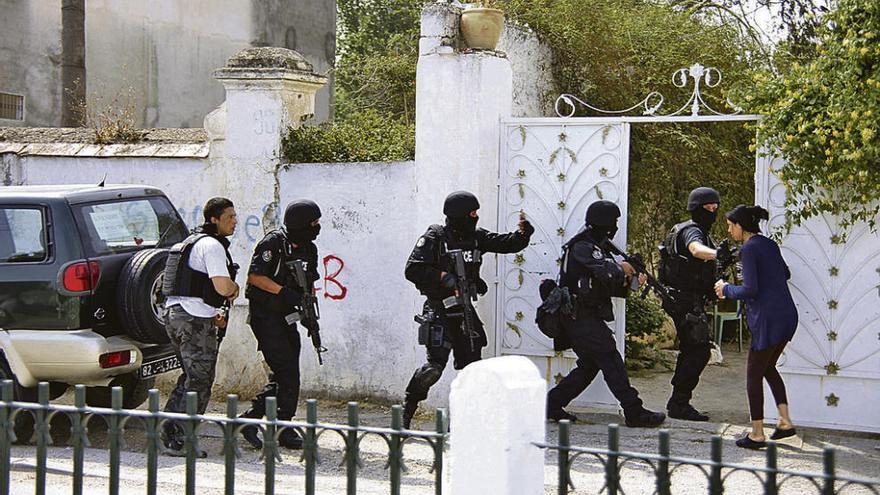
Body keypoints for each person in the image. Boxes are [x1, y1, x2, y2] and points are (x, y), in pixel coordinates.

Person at [402, 191, 534, 429]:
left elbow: (504, 243)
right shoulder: (435, 236)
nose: (475, 216)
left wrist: (523, 235)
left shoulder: (476, 237)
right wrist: (443, 277)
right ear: (459, 214)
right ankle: (406, 411)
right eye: (472, 212)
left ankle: (463, 422)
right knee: (433, 368)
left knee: (471, 369)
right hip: (439, 307)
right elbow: (412, 269)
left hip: (464, 309)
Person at [546, 200, 666, 428]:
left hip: (585, 315)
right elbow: (605, 271)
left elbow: (607, 284)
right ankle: (634, 411)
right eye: (614, 222)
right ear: (605, 222)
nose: (616, 227)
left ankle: (551, 404)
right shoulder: (583, 247)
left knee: (590, 365)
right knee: (611, 359)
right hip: (578, 315)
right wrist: (624, 269)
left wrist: (632, 280)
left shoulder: (598, 247)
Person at [237, 200, 322, 450]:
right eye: (313, 223)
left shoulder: (309, 249)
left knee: (286, 373)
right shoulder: (273, 243)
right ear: (300, 224)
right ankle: (280, 427)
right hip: (266, 317)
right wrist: (284, 293)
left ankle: (253, 422)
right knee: (287, 373)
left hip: (288, 317)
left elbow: (310, 282)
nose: (317, 228)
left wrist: (309, 311)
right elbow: (254, 276)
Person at [715, 205, 798, 449]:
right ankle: (784, 422)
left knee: (753, 374)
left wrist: (725, 288)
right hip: (787, 315)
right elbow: (786, 273)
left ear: (741, 226)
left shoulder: (749, 249)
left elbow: (750, 290)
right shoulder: (768, 244)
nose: (729, 230)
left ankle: (757, 434)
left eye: (731, 225)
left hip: (768, 320)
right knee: (768, 367)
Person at [161, 197, 239, 456]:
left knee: (190, 376)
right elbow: (222, 286)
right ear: (214, 219)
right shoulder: (212, 245)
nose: (235, 221)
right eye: (229, 217)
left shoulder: (188, 243)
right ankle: (181, 440)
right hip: (193, 320)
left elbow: (192, 287)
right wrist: (234, 289)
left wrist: (213, 313)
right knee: (201, 380)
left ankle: (168, 430)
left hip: (176, 315)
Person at [658, 187, 721, 422]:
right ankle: (679, 402)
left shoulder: (693, 229)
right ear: (696, 208)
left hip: (684, 298)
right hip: (684, 300)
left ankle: (679, 401)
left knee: (692, 349)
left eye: (716, 208)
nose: (713, 212)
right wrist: (717, 254)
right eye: (709, 208)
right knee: (699, 350)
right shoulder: (692, 231)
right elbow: (696, 250)